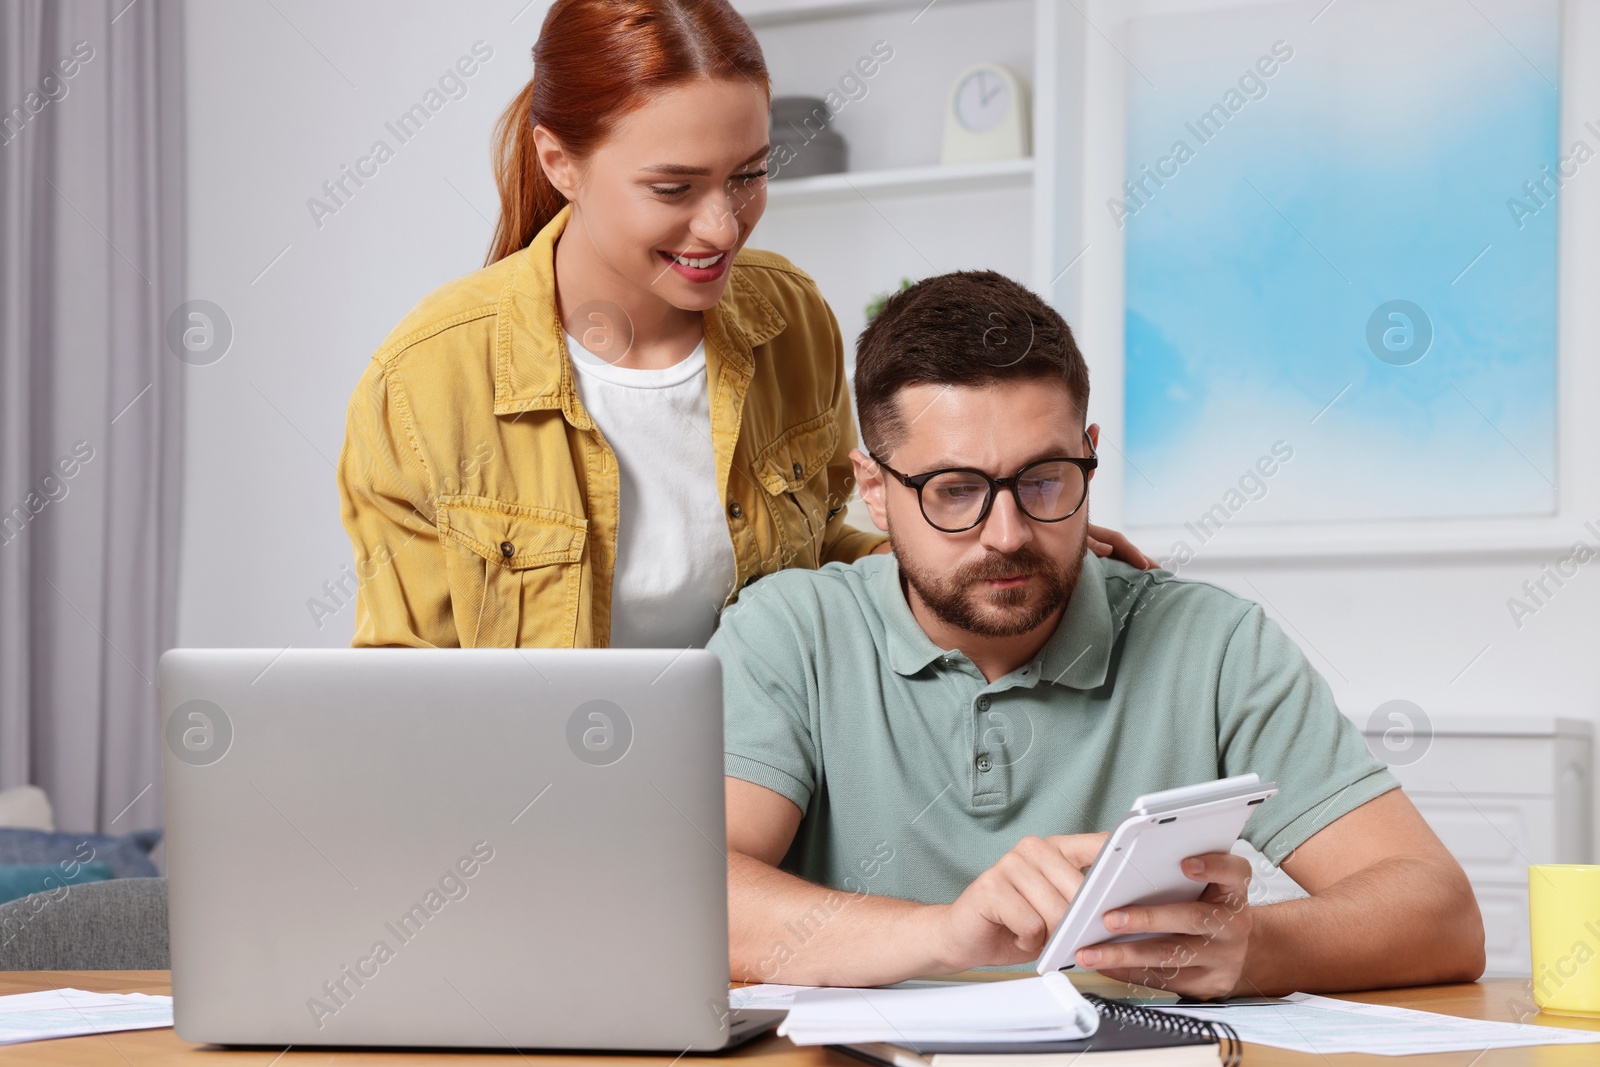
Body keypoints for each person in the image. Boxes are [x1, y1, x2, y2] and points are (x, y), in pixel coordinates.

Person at [711, 270, 1485, 997]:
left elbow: (1440, 912)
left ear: (1090, 452)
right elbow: (693, 892)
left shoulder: (1213, 643)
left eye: (1045, 478)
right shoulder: (788, 634)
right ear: (875, 490)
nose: (1007, 534)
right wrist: (945, 934)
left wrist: (1256, 948)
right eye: (955, 491)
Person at [335, 0, 1151, 649]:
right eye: (673, 188)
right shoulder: (426, 379)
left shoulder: (790, 317)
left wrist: (988, 553)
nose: (723, 228)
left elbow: (814, 547)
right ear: (560, 163)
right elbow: (410, 688)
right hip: (541, 815)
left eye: (750, 175)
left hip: (763, 794)